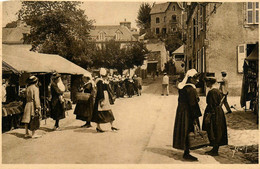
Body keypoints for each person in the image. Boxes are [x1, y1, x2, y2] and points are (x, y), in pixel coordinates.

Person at [172, 69, 202, 161]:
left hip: (182, 113)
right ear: (190, 79)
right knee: (188, 131)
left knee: (184, 131)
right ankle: (187, 153)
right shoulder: (191, 90)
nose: (197, 80)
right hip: (188, 114)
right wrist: (195, 117)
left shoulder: (183, 88)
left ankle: (186, 151)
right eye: (195, 78)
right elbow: (193, 105)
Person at [202, 77, 228, 156]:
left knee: (213, 130)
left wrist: (209, 116)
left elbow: (211, 104)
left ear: (210, 83)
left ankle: (215, 150)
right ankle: (215, 149)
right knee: (218, 130)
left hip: (213, 113)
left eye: (207, 83)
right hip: (218, 112)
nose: (206, 84)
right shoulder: (217, 90)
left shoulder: (212, 92)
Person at [91, 68, 119, 132]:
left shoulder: (103, 81)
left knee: (108, 111)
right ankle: (98, 127)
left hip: (105, 97)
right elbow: (100, 91)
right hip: (102, 97)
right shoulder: (100, 81)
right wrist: (101, 100)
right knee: (100, 113)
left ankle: (112, 125)